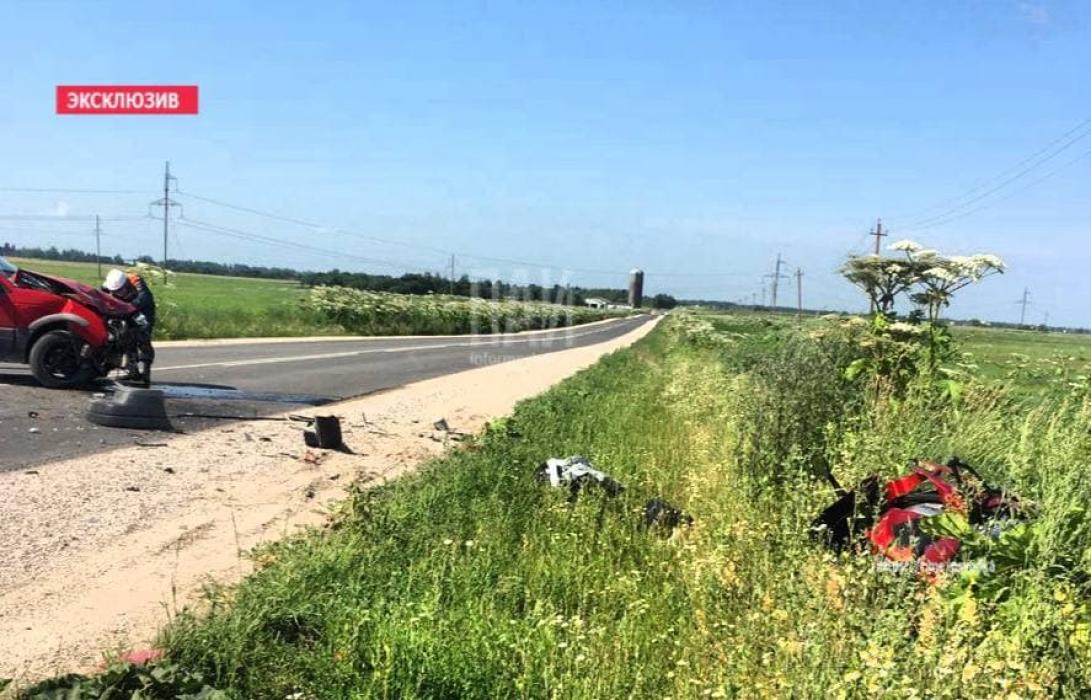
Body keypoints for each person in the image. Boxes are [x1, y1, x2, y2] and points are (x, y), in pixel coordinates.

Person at [102, 269, 156, 383]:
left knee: (143, 336)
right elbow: (99, 295)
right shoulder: (108, 285)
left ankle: (146, 373)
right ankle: (133, 371)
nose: (116, 293)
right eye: (114, 291)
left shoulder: (136, 281)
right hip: (124, 308)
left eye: (119, 290)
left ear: (126, 283)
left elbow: (145, 297)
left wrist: (128, 307)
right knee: (125, 338)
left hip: (141, 310)